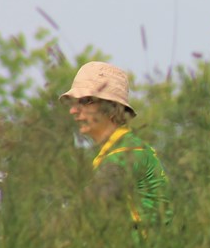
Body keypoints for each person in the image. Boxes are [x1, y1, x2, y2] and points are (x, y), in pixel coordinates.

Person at [60, 61, 171, 232]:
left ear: (112, 108)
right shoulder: (120, 149)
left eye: (85, 101)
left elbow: (85, 209)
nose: (73, 111)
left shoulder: (126, 153)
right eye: (73, 103)